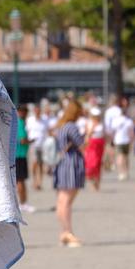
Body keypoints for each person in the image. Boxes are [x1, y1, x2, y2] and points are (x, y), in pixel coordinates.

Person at [53, 99, 85, 247]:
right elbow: (82, 146)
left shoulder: (61, 126)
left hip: (62, 163)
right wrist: (89, 134)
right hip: (71, 164)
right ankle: (68, 232)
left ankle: (64, 232)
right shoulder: (72, 127)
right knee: (66, 201)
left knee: (61, 201)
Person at [14, 105, 34, 213]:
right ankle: (22, 203)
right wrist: (31, 141)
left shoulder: (17, 122)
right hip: (19, 155)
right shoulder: (20, 122)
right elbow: (22, 140)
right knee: (20, 181)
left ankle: (23, 203)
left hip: (19, 155)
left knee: (20, 180)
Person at [83, 107, 106, 191]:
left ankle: (97, 183)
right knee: (92, 164)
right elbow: (87, 135)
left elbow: (105, 135)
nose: (96, 117)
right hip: (91, 145)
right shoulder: (88, 123)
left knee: (98, 164)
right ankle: (92, 181)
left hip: (100, 144)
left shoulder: (102, 124)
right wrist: (92, 127)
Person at [26, 103, 47, 192]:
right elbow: (27, 131)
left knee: (41, 164)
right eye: (36, 111)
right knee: (34, 163)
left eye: (39, 111)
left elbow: (47, 131)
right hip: (33, 144)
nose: (38, 112)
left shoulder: (44, 120)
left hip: (42, 145)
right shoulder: (30, 120)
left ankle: (40, 182)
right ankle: (34, 181)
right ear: (34, 111)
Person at [113, 109, 135, 181]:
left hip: (118, 140)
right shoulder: (129, 121)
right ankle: (126, 172)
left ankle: (121, 172)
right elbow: (131, 133)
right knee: (126, 156)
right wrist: (132, 141)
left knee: (119, 156)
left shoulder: (115, 121)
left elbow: (112, 131)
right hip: (126, 140)